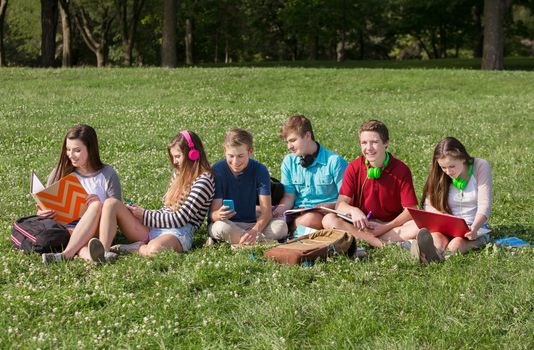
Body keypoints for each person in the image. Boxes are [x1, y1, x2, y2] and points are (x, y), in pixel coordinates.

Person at [97, 130, 215, 257]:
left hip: (179, 232)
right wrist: (139, 214)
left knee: (154, 249)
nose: (174, 162)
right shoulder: (179, 173)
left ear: (193, 154)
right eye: (173, 157)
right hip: (159, 224)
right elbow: (167, 209)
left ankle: (139, 248)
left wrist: (145, 215)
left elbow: (180, 219)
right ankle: (102, 253)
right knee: (111, 204)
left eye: (178, 156)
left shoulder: (204, 180)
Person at [322, 120, 419, 248]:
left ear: (385, 143)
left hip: (390, 225)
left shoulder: (401, 170)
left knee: (418, 225)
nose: (368, 148)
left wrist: (385, 227)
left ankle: (365, 240)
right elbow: (340, 205)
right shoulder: (353, 167)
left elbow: (411, 210)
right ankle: (382, 244)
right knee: (328, 219)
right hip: (361, 225)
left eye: (374, 142)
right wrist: (354, 210)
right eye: (364, 143)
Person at [40, 124, 122, 264]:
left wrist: (98, 204)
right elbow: (45, 204)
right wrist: (43, 213)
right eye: (68, 149)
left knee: (95, 205)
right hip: (66, 229)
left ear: (90, 149)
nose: (71, 155)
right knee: (83, 244)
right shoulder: (60, 172)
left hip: (97, 232)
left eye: (77, 150)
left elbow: (116, 212)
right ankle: (97, 258)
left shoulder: (107, 174)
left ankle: (64, 255)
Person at [411, 137, 492, 263]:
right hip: (447, 225)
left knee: (456, 244)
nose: (448, 171)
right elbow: (429, 204)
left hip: (473, 227)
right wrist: (444, 217)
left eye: (452, 166)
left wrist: (475, 227)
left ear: (463, 158)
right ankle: (431, 252)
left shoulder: (480, 166)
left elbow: (484, 204)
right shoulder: (440, 174)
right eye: (443, 167)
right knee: (437, 239)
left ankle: (435, 257)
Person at [208, 128, 288, 246]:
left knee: (281, 227)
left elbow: (266, 213)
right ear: (224, 150)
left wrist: (255, 230)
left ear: (250, 151)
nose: (235, 161)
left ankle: (242, 241)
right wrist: (218, 214)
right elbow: (212, 214)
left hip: (252, 224)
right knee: (220, 228)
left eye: (241, 156)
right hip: (227, 223)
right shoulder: (218, 170)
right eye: (231, 156)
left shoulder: (260, 170)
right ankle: (256, 242)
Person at [273, 115, 347, 232]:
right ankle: (294, 228)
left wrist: (330, 206)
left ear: (308, 136)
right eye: (287, 142)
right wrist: (278, 211)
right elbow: (288, 196)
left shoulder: (335, 162)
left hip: (327, 214)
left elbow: (346, 199)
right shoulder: (288, 162)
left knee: (311, 219)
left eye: (293, 140)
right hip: (299, 213)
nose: (289, 147)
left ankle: (292, 229)